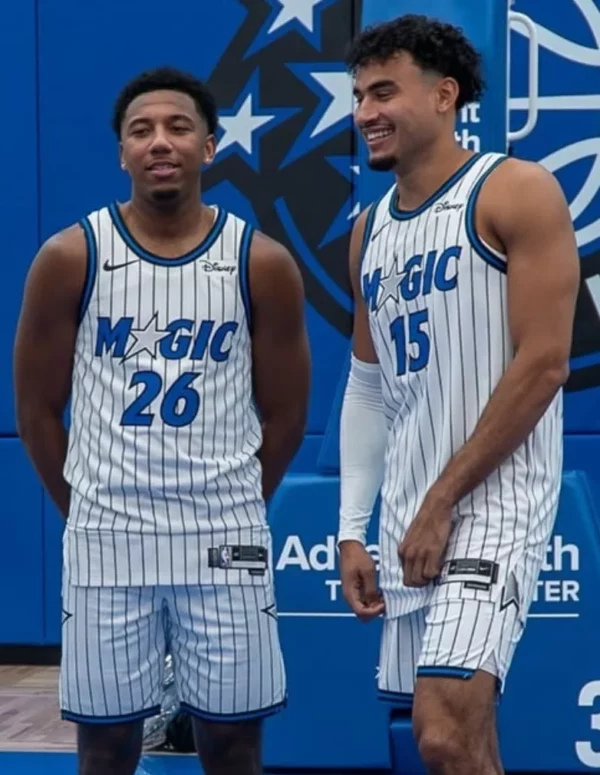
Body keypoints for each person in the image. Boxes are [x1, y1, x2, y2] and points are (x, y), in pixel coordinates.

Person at [14, 66, 310, 775]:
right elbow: (35, 409)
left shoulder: (261, 261)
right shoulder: (70, 256)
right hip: (108, 537)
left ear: (210, 146)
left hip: (224, 534)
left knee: (234, 742)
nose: (160, 142)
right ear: (120, 152)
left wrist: (233, 502)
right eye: (141, 130)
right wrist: (87, 505)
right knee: (107, 746)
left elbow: (286, 412)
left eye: (178, 127)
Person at [337, 15, 579, 775]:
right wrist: (352, 526)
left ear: (445, 95)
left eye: (385, 91)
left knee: (440, 728)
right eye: (358, 95)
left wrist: (443, 500)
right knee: (463, 740)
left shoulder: (515, 190)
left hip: (494, 501)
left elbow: (544, 364)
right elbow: (368, 386)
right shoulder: (367, 229)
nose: (366, 111)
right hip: (411, 513)